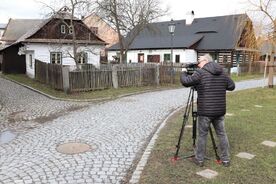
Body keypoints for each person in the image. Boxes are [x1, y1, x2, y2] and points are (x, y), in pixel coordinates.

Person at [180, 54, 235, 167]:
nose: (198, 64)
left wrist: (183, 71)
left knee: (202, 135)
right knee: (222, 134)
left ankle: (199, 160)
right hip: (219, 111)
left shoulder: (201, 73)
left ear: (205, 61)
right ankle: (226, 159)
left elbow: (186, 82)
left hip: (205, 111)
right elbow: (231, 86)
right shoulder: (222, 72)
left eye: (199, 62)